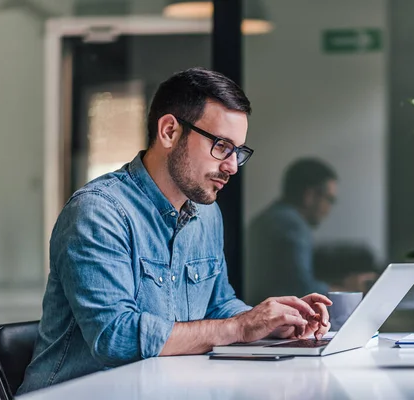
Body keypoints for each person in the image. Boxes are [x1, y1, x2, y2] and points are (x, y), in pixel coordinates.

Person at [18, 68, 331, 394]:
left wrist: (271, 323)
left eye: (238, 151)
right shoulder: (98, 213)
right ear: (169, 131)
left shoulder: (207, 214)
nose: (233, 166)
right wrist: (240, 327)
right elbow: (114, 337)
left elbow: (217, 307)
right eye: (222, 146)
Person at [245, 158, 338, 305]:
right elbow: (301, 289)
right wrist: (345, 289)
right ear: (310, 195)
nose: (329, 209)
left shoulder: (268, 217)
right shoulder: (292, 225)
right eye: (330, 199)